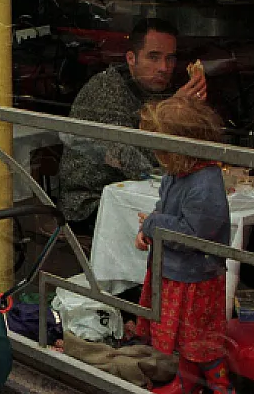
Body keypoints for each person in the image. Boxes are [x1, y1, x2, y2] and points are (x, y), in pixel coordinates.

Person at [134, 97, 239, 394]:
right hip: (173, 270)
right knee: (182, 335)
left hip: (196, 276)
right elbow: (168, 215)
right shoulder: (176, 174)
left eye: (161, 150)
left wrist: (152, 225)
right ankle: (187, 383)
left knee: (201, 340)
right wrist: (150, 229)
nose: (157, 157)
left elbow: (194, 233)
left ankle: (224, 391)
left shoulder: (204, 182)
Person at [56, 18, 208, 234]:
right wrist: (172, 112)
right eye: (153, 57)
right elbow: (139, 161)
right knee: (186, 224)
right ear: (131, 59)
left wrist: (192, 114)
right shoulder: (106, 90)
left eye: (170, 59)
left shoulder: (160, 89)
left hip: (142, 193)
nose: (164, 68)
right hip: (91, 202)